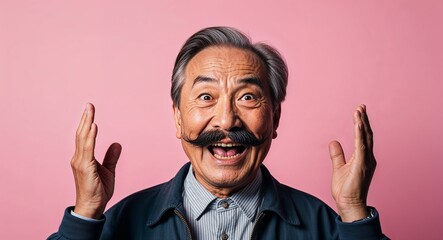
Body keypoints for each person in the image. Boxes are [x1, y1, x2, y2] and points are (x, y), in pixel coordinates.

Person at [49, 26, 388, 239]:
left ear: (275, 119)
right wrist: (87, 212)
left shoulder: (327, 227)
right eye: (206, 97)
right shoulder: (118, 224)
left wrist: (354, 210)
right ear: (178, 119)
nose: (226, 121)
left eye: (248, 97)